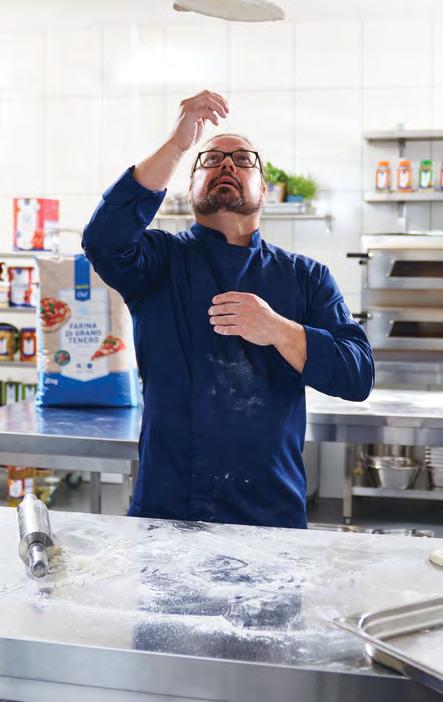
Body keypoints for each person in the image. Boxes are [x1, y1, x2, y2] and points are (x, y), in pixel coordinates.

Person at [82, 89, 374, 529]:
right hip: (167, 513)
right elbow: (103, 240)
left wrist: (278, 329)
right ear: (190, 187)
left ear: (264, 190)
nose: (226, 166)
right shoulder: (158, 263)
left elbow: (357, 375)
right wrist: (178, 144)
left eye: (243, 160)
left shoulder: (306, 277)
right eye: (211, 160)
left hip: (271, 518)